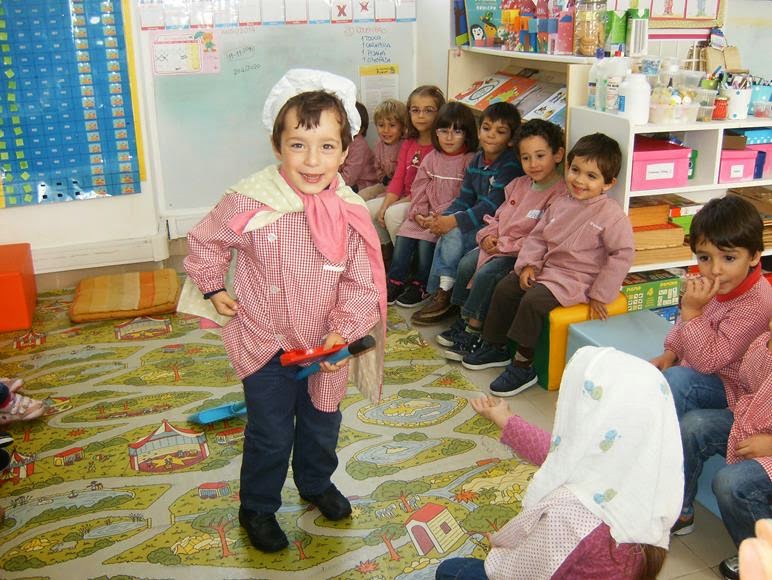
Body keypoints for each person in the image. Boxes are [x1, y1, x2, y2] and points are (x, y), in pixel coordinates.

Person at [184, 69, 386, 553]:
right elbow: (206, 240)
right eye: (298, 145)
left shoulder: (349, 209)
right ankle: (257, 507)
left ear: (346, 150)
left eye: (327, 146)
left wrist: (343, 333)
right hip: (264, 341)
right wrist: (212, 286)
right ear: (277, 146)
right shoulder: (249, 199)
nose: (313, 161)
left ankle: (315, 483)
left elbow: (361, 283)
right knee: (271, 433)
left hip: (325, 347)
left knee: (322, 423)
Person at [435, 346, 683, 580]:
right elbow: (557, 454)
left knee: (451, 571)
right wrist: (506, 419)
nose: (557, 403)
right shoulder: (649, 480)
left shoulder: (571, 514)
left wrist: (499, 549)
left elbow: (519, 573)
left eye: (571, 396)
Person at [462, 133, 634, 397]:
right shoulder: (560, 202)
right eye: (575, 170)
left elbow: (622, 254)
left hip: (578, 278)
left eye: (591, 176)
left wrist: (601, 293)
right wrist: (528, 265)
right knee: (506, 287)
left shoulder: (611, 214)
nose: (579, 180)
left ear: (608, 183)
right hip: (547, 268)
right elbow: (538, 237)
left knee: (533, 301)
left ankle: (523, 365)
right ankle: (495, 345)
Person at [649, 196, 772, 555]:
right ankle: (677, 502)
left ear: (754, 256)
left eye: (728, 258)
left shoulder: (757, 304)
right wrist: (672, 350)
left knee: (679, 382)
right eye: (705, 258)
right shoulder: (717, 284)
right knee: (672, 383)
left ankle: (660, 470)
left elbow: (709, 359)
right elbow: (683, 328)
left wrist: (692, 313)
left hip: (731, 387)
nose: (715, 270)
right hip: (742, 396)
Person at [436, 119, 567, 359]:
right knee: (466, 263)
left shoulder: (560, 194)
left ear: (558, 154)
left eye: (540, 156)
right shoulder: (518, 184)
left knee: (487, 274)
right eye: (526, 158)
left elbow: (541, 237)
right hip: (498, 245)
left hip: (521, 255)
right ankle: (464, 319)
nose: (533, 164)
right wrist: (488, 235)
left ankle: (474, 329)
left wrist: (504, 245)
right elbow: (498, 216)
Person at [410, 102, 524, 326]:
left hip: (495, 225)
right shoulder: (476, 160)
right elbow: (464, 198)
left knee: (452, 232)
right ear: (479, 131)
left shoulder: (510, 165)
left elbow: (491, 206)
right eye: (487, 128)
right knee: (446, 231)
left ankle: (445, 292)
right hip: (476, 218)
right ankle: (439, 290)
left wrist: (453, 221)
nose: (491, 135)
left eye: (500, 132)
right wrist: (444, 218)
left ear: (511, 139)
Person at [386, 102, 477, 308]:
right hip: (424, 212)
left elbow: (465, 196)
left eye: (457, 131)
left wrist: (438, 215)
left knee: (426, 242)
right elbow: (419, 186)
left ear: (467, 134)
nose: (449, 137)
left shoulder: (469, 160)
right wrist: (418, 211)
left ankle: (421, 284)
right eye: (444, 131)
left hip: (446, 216)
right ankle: (396, 279)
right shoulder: (432, 158)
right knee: (405, 234)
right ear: (436, 132)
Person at [369, 85, 445, 248]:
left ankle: (405, 256)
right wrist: (386, 204)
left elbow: (427, 189)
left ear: (440, 113)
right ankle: (387, 249)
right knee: (367, 209)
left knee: (392, 214)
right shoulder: (409, 142)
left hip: (424, 201)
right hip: (404, 196)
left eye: (428, 110)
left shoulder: (440, 145)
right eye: (415, 110)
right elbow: (398, 178)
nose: (421, 116)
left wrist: (393, 205)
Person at [358, 98, 407, 202]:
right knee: (360, 196)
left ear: (403, 127)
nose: (386, 130)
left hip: (401, 188)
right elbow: (378, 166)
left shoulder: (405, 145)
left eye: (392, 125)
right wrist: (383, 177)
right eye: (381, 125)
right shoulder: (378, 144)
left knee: (376, 201)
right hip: (385, 184)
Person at [339, 101, 378, 193]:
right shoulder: (342, 141)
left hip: (363, 186)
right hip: (348, 184)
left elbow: (348, 179)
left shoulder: (359, 146)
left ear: (361, 129)